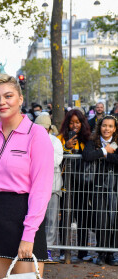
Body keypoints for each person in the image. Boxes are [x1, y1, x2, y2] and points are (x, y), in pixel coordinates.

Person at [0, 74, 54, 279]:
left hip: (24, 217)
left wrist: (29, 235)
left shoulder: (37, 135)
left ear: (20, 99)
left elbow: (41, 188)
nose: (2, 102)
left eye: (8, 96)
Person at [82, 115, 118, 266]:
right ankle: (101, 253)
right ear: (100, 127)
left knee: (113, 221)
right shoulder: (93, 142)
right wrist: (104, 151)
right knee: (101, 220)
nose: (107, 129)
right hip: (98, 188)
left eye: (110, 126)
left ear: (115, 129)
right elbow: (87, 155)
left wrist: (106, 156)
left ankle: (111, 253)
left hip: (115, 188)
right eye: (104, 125)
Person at [57, 109, 92, 261]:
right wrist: (67, 148)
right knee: (65, 217)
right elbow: (56, 158)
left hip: (82, 186)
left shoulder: (87, 140)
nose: (74, 125)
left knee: (82, 218)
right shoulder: (60, 139)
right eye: (71, 122)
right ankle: (65, 251)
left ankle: (83, 252)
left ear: (82, 123)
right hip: (65, 185)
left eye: (77, 122)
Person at [35, 114, 63, 262]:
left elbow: (56, 161)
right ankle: (37, 249)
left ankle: (48, 249)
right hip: (34, 188)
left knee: (52, 220)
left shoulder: (55, 141)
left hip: (52, 186)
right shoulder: (30, 139)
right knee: (36, 219)